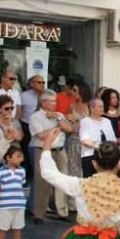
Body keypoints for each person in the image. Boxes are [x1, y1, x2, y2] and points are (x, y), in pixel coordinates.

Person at [30, 90, 73, 224]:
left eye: (55, 101)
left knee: (63, 179)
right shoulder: (35, 117)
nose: (55, 103)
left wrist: (58, 119)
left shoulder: (58, 114)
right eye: (52, 101)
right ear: (43, 102)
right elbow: (41, 135)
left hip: (60, 150)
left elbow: (70, 128)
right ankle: (39, 214)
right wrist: (57, 126)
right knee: (42, 182)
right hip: (43, 150)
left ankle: (62, 211)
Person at [0, 146, 27, 239]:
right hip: (5, 205)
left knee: (18, 226)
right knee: (3, 227)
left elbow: (21, 184)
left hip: (19, 203)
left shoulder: (22, 171)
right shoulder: (0, 172)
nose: (20, 159)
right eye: (18, 156)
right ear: (8, 158)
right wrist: (2, 197)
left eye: (21, 156)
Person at [79, 98, 115, 177]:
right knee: (90, 183)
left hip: (107, 158)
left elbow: (113, 140)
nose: (102, 109)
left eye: (102, 106)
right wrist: (101, 147)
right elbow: (84, 140)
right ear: (92, 108)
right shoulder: (85, 121)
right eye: (99, 107)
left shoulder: (107, 121)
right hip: (90, 157)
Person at [63, 82, 91, 179]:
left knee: (87, 169)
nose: (72, 92)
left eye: (75, 90)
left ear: (82, 91)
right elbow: (67, 124)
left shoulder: (90, 105)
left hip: (87, 141)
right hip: (74, 141)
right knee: (73, 169)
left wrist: (77, 123)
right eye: (72, 90)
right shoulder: (71, 106)